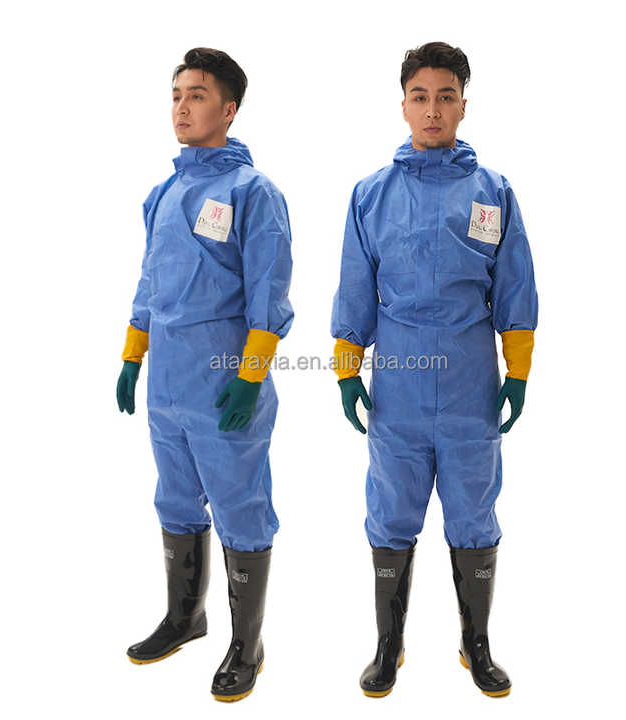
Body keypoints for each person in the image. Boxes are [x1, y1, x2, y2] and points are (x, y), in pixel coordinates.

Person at [331, 41, 538, 698]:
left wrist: (518, 370)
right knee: (391, 510)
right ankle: (387, 644)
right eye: (420, 96)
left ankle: (476, 643)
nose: (432, 109)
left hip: (471, 378)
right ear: (403, 106)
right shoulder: (372, 195)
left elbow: (515, 286)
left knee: (474, 510)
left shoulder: (493, 193)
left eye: (445, 96)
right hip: (397, 380)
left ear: (463, 106)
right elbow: (355, 288)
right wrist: (346, 368)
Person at [116, 47, 293, 703]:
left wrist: (250, 376)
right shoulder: (163, 194)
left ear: (229, 108)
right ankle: (185, 616)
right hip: (168, 384)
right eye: (176, 95)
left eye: (197, 95)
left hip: (223, 382)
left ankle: (248, 643)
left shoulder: (253, 193)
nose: (182, 108)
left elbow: (269, 293)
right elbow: (150, 282)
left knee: (240, 507)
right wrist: (132, 355)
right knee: (175, 498)